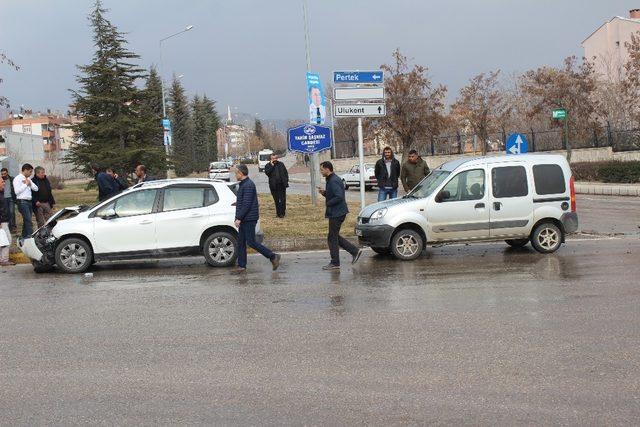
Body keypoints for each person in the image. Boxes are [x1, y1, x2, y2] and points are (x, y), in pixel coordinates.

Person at [234, 164, 281, 272]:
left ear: (241, 173)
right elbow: (244, 201)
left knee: (251, 242)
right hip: (245, 218)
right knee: (240, 242)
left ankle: (273, 256)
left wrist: (239, 218)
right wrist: (238, 203)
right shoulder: (244, 184)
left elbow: (247, 205)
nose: (235, 175)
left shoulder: (248, 185)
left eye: (236, 172)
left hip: (249, 219)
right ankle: (241, 265)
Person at [318, 161, 363, 271]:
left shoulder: (333, 180)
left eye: (322, 170)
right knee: (333, 236)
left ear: (328, 169)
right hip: (336, 212)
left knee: (332, 238)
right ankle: (354, 251)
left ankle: (335, 262)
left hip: (337, 213)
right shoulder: (331, 179)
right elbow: (333, 194)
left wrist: (328, 202)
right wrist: (324, 193)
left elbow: (339, 196)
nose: (321, 172)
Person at [13, 163, 38, 238]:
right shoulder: (17, 179)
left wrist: (29, 183)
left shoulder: (28, 179)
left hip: (29, 202)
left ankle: (24, 237)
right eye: (30, 171)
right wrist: (25, 185)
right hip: (22, 202)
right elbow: (17, 192)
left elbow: (36, 189)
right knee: (28, 221)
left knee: (27, 220)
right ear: (25, 170)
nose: (31, 174)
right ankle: (30, 237)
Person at [264, 153, 289, 218]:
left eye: (276, 158)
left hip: (282, 185)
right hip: (274, 186)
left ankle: (282, 213)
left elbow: (285, 173)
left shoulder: (281, 164)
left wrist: (286, 180)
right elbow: (267, 173)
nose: (275, 160)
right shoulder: (268, 165)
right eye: (273, 158)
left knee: (283, 199)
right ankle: (278, 214)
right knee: (276, 200)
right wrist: (271, 166)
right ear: (271, 159)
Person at [0, 177, 14, 266]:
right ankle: (4, 260)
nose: (4, 183)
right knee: (7, 240)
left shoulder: (1, 193)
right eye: (2, 182)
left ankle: (2, 259)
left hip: (4, 220)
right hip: (2, 221)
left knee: (3, 240)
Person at [1, 168, 17, 232]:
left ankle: (13, 227)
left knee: (12, 212)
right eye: (2, 174)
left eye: (4, 173)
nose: (3, 175)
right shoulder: (1, 180)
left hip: (11, 198)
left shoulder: (12, 179)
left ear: (7, 173)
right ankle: (8, 227)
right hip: (3, 198)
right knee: (6, 213)